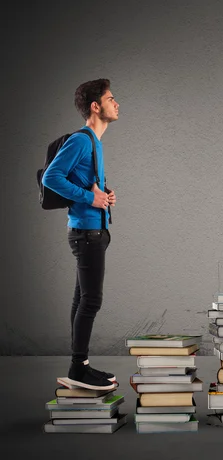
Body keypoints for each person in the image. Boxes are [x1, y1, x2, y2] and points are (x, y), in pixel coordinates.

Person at [42, 79, 119, 390]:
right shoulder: (82, 140)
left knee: (81, 299)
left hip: (91, 231)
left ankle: (80, 365)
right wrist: (90, 198)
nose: (117, 103)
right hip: (86, 234)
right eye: (111, 99)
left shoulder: (94, 143)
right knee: (91, 301)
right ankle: (78, 368)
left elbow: (85, 183)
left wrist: (104, 195)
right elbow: (51, 177)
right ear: (95, 106)